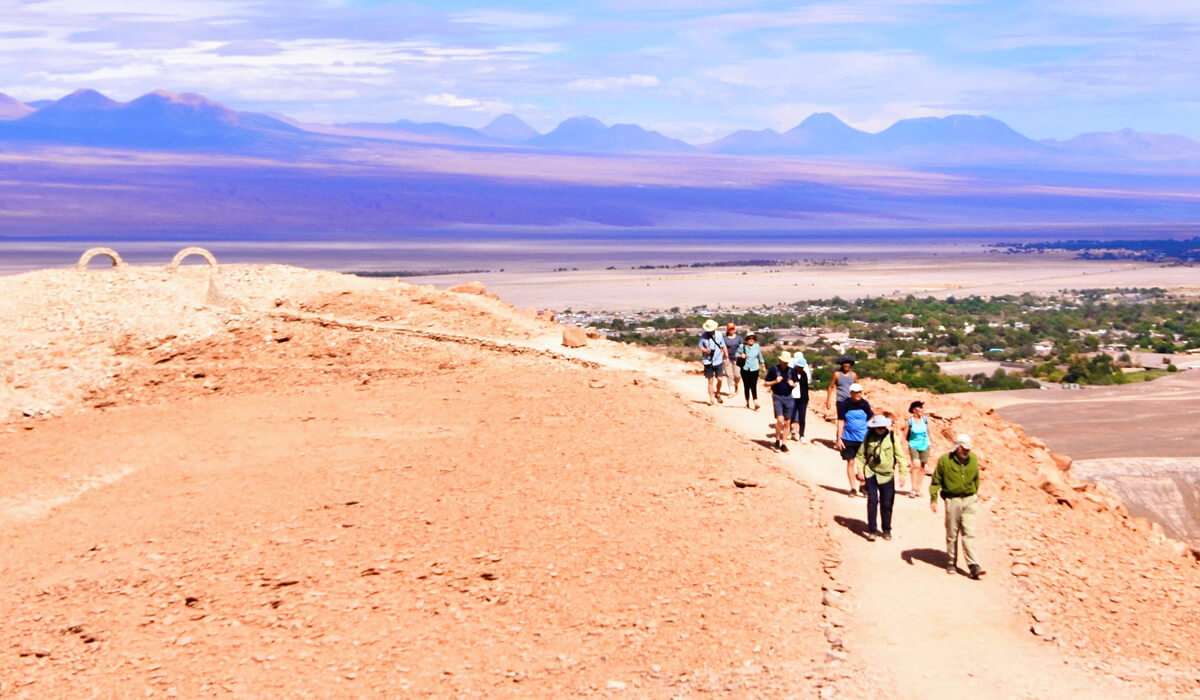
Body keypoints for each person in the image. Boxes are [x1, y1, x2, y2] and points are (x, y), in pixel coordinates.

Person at [930, 434, 986, 580]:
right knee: (952, 532)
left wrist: (973, 494)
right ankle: (951, 561)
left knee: (969, 532)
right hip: (952, 500)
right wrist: (934, 499)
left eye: (968, 449)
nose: (967, 452)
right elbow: (936, 481)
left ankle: (973, 565)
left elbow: (976, 479)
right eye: (964, 449)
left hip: (969, 499)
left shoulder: (973, 459)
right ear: (957, 448)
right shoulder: (945, 461)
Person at [855, 415, 908, 541]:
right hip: (871, 473)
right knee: (872, 501)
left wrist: (902, 474)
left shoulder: (892, 437)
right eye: (877, 427)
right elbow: (860, 455)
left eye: (882, 427)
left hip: (887, 475)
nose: (879, 429)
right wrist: (860, 471)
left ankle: (886, 529)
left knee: (887, 503)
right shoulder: (868, 436)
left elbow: (900, 456)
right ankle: (872, 530)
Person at [835, 383, 873, 496]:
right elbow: (841, 421)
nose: (858, 394)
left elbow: (871, 416)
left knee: (864, 462)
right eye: (856, 392)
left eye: (860, 392)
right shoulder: (845, 404)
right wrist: (839, 438)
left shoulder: (864, 404)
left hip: (863, 438)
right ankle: (853, 488)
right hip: (848, 438)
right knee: (850, 461)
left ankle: (863, 485)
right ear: (851, 393)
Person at [764, 351, 797, 452]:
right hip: (777, 396)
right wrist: (775, 381)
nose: (785, 364)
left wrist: (792, 384)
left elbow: (796, 383)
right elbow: (765, 383)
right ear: (780, 360)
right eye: (784, 361)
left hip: (789, 397)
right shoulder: (774, 370)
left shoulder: (792, 371)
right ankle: (777, 439)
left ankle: (784, 443)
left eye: (787, 362)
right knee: (780, 420)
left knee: (787, 422)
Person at [902, 400, 932, 498]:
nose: (921, 409)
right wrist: (902, 445)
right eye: (919, 407)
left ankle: (918, 489)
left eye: (922, 407)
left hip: (924, 445)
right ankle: (913, 489)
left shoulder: (925, 419)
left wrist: (932, 441)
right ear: (914, 410)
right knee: (916, 465)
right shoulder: (910, 421)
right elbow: (905, 434)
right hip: (913, 444)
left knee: (922, 467)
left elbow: (929, 432)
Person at [698, 320, 725, 405]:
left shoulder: (719, 335)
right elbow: (700, 346)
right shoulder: (704, 336)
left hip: (718, 360)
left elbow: (723, 345)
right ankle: (711, 399)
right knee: (710, 380)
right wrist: (705, 350)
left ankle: (718, 392)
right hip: (708, 361)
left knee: (720, 379)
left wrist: (725, 356)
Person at [737, 332, 765, 410]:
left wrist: (763, 365)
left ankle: (755, 402)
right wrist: (741, 355)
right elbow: (736, 354)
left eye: (753, 338)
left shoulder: (757, 346)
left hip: (754, 368)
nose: (751, 340)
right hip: (745, 368)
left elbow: (760, 356)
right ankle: (747, 402)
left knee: (753, 385)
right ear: (746, 340)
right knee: (746, 386)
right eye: (749, 338)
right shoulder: (742, 347)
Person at [789, 353, 810, 442]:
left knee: (802, 417)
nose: (800, 369)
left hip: (803, 398)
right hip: (793, 397)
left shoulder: (804, 374)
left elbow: (805, 386)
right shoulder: (791, 372)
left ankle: (801, 434)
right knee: (791, 415)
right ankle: (789, 432)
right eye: (799, 367)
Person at [721, 322, 743, 398]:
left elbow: (742, 347)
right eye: (730, 329)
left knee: (737, 375)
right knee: (729, 375)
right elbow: (723, 348)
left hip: (737, 358)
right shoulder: (724, 339)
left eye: (733, 329)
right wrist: (723, 358)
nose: (731, 330)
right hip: (727, 359)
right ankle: (732, 392)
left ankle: (736, 385)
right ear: (728, 330)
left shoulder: (739, 338)